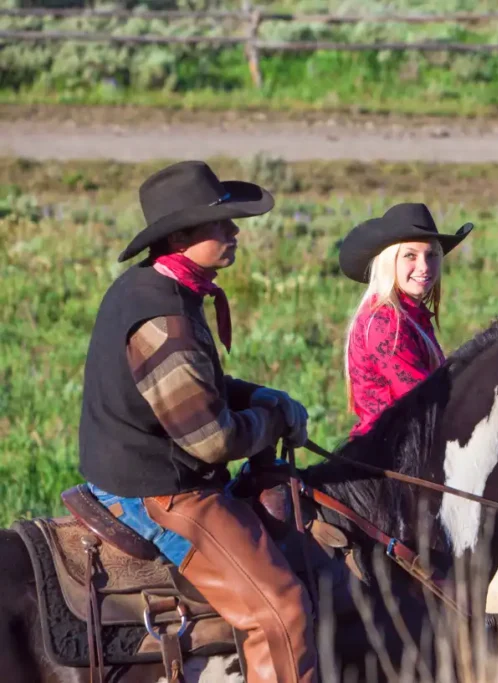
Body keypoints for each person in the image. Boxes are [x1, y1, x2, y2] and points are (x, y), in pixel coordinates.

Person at [77, 160, 317, 683]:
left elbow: (193, 388)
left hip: (147, 471)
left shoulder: (155, 286)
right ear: (182, 235)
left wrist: (260, 395)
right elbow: (212, 440)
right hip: (163, 492)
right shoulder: (164, 320)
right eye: (222, 223)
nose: (234, 232)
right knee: (282, 611)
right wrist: (272, 420)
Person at [336, 203, 473, 437]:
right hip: (390, 453)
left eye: (432, 255)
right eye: (410, 255)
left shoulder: (408, 314)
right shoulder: (385, 322)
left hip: (410, 442)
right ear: (390, 262)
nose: (424, 267)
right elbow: (424, 400)